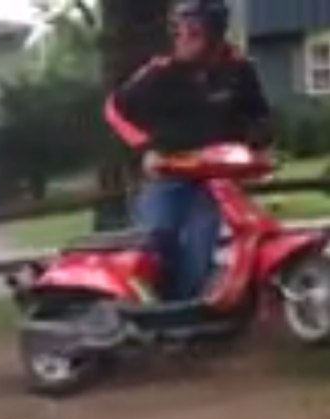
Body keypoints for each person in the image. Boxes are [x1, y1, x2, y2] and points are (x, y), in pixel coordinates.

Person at [104, 0, 273, 302]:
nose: (181, 38)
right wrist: (146, 149)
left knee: (201, 240)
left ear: (214, 32)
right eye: (179, 31)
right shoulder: (160, 72)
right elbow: (115, 109)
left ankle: (185, 314)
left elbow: (258, 115)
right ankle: (144, 307)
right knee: (157, 236)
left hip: (217, 175)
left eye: (191, 32)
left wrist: (256, 145)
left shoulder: (239, 68)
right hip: (169, 171)